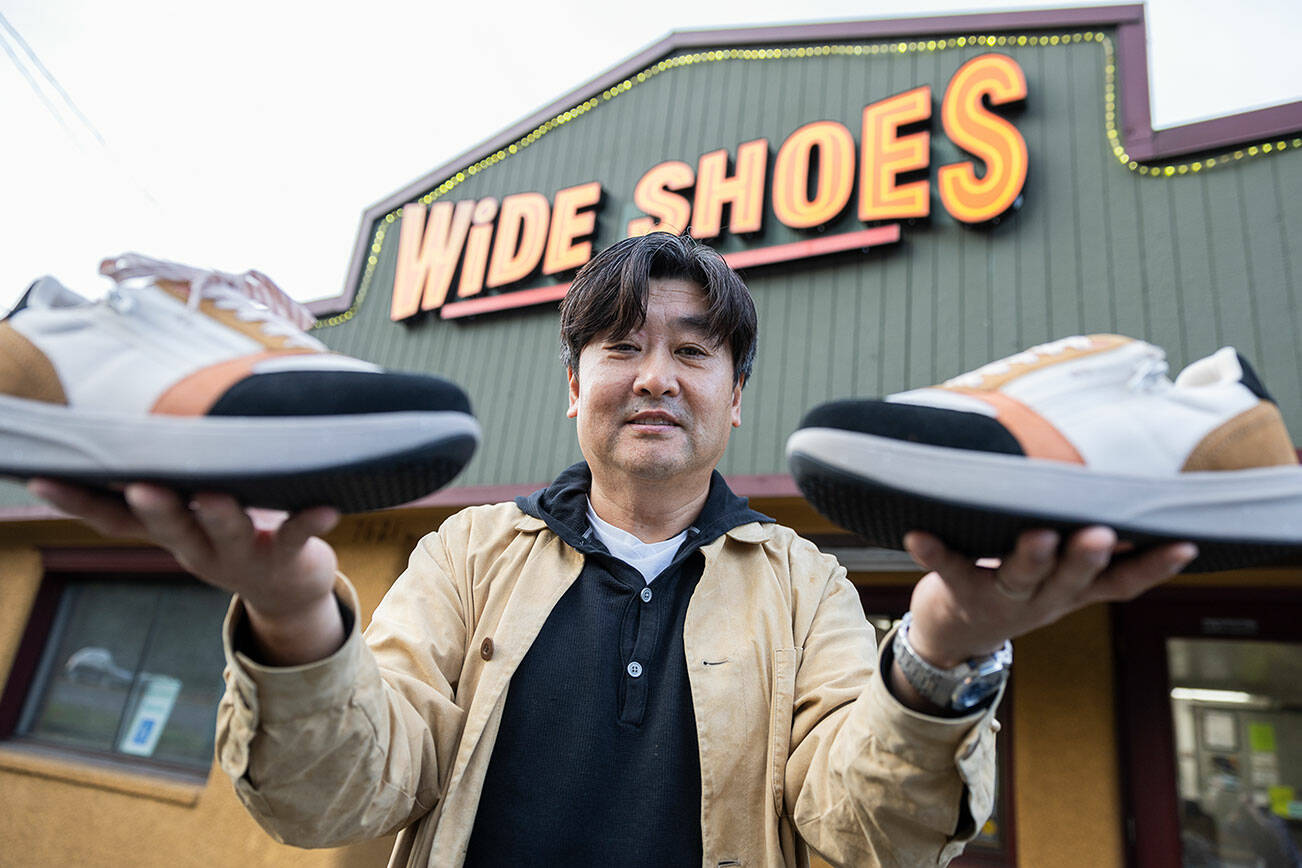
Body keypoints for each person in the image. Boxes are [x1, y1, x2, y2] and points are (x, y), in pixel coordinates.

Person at [30, 231, 1197, 867]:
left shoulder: (809, 586)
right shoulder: (466, 552)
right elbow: (339, 796)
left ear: (737, 397)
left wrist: (944, 649)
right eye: (622, 346)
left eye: (694, 352)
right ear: (573, 383)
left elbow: (867, 834)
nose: (654, 376)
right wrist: (290, 611)